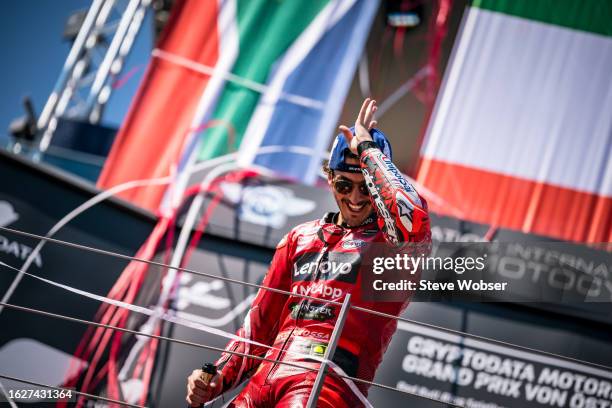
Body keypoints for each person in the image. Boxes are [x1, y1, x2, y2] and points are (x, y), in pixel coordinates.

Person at [186, 98, 431, 407]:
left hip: (330, 383)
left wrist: (369, 151)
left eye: (365, 187)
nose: (355, 198)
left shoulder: (391, 247)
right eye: (344, 184)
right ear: (329, 179)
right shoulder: (298, 238)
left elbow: (415, 218)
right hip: (263, 381)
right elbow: (258, 328)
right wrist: (218, 378)